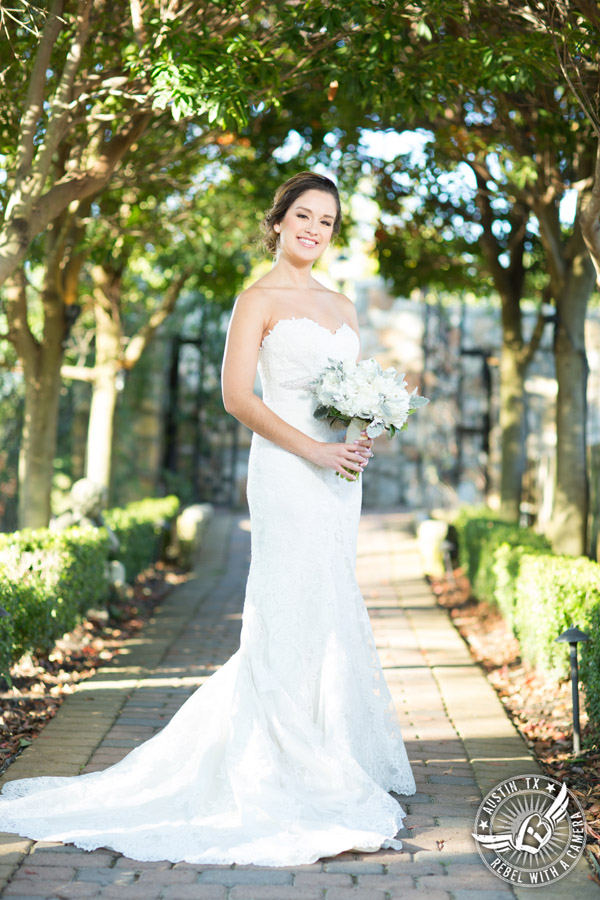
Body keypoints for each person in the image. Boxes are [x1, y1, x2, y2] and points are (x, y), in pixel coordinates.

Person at [0, 172, 416, 867]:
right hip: (287, 471)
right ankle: (277, 765)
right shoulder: (256, 300)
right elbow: (235, 397)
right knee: (284, 606)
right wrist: (313, 447)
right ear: (278, 220)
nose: (315, 229)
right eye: (304, 216)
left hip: (340, 478)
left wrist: (363, 430)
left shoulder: (344, 306)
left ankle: (323, 748)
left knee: (327, 604)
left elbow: (350, 394)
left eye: (328, 222)